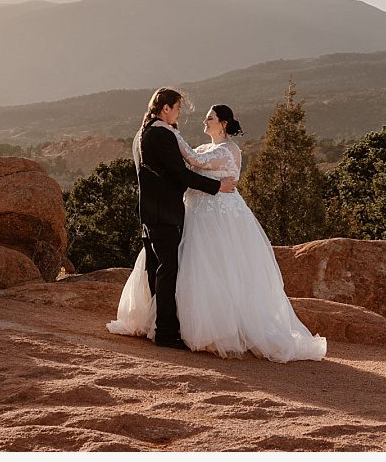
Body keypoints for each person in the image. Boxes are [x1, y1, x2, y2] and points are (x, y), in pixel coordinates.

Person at [108, 101, 327, 363]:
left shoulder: (229, 150)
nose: (205, 121)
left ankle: (222, 328)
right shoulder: (203, 146)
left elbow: (194, 161)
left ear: (223, 123)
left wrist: (171, 132)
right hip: (196, 213)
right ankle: (178, 324)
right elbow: (185, 167)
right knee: (189, 268)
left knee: (221, 268)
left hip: (220, 216)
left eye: (210, 118)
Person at [112, 88, 236, 350]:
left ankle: (154, 324)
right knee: (168, 271)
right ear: (165, 108)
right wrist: (216, 187)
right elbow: (180, 174)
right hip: (165, 213)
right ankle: (167, 332)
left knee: (154, 269)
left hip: (149, 212)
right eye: (177, 108)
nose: (179, 114)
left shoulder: (141, 133)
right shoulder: (160, 134)